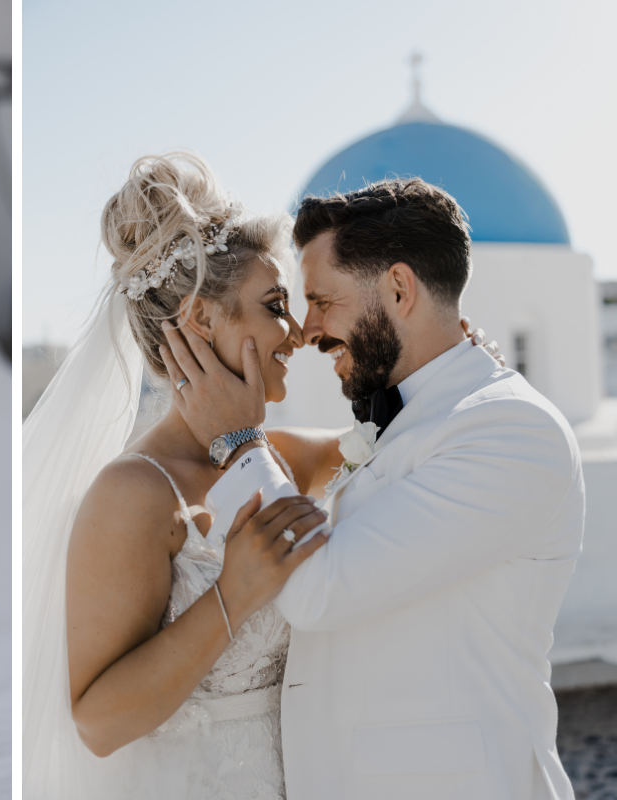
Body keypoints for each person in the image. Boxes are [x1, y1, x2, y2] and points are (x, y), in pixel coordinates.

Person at [162, 177, 582, 799]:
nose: (305, 332)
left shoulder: (510, 429)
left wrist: (237, 440)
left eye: (323, 300)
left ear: (399, 288)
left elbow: (319, 592)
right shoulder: (408, 415)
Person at [23, 153, 332, 798]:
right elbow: (100, 723)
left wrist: (455, 360)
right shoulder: (133, 494)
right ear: (200, 319)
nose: (298, 332)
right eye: (275, 305)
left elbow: (388, 441)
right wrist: (233, 594)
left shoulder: (277, 454)